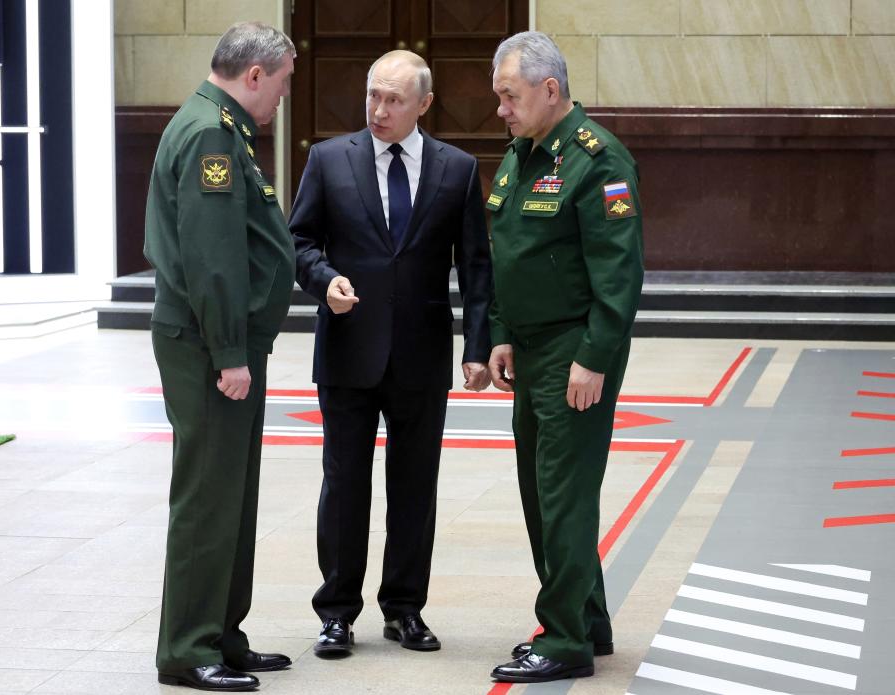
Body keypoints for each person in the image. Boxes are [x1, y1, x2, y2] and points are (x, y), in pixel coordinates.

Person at [289, 50, 492, 658]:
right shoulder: (328, 160)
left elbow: (477, 266)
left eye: (394, 99)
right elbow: (298, 240)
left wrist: (477, 346)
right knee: (344, 484)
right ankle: (337, 613)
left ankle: (404, 608)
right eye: (373, 96)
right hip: (349, 350)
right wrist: (324, 279)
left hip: (421, 356)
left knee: (414, 486)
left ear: (424, 105)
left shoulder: (457, 170)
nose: (379, 109)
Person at [485, 32, 644, 684]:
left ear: (551, 90)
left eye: (510, 96)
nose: (500, 109)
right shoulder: (521, 156)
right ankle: (588, 618)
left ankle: (564, 637)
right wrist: (498, 331)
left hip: (573, 348)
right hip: (528, 345)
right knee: (543, 490)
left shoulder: (598, 161)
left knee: (562, 493)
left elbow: (619, 273)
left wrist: (594, 356)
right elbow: (509, 254)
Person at [143, 22, 297, 692]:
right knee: (209, 495)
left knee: (231, 492)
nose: (284, 99)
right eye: (284, 83)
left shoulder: (224, 127)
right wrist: (231, 351)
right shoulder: (212, 133)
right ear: (255, 75)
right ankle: (187, 647)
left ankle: (221, 633)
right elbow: (211, 258)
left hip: (222, 342)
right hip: (209, 346)